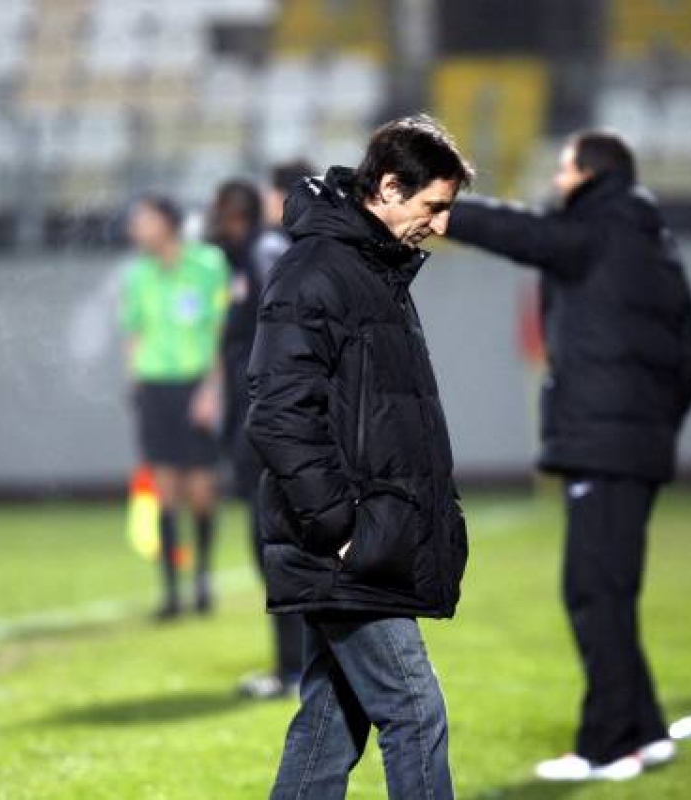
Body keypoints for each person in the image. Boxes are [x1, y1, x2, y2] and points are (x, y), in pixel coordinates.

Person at [444, 131, 691, 782]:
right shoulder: (652, 240)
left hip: (605, 445)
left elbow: (523, 234)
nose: (558, 182)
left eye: (564, 171)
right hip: (636, 444)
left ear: (590, 175)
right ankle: (646, 730)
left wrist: (444, 209)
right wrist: (654, 424)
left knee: (592, 594)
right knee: (611, 592)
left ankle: (606, 746)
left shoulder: (597, 228)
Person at [246, 115, 473, 800]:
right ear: (389, 187)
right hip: (348, 547)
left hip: (368, 539)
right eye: (434, 205)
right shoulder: (317, 271)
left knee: (331, 722)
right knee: (413, 711)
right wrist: (341, 529)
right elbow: (280, 413)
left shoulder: (372, 269)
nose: (440, 224)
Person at [210, 170, 311, 699]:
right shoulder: (245, 256)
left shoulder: (267, 250)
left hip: (269, 420)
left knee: (278, 544)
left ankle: (299, 669)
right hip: (258, 417)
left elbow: (286, 328)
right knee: (271, 545)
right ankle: (294, 666)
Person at [121, 193, 229, 620]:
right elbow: (134, 332)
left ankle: (202, 577)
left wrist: (212, 389)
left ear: (167, 223)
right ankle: (170, 593)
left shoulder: (208, 265)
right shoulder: (138, 275)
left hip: (195, 385)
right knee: (163, 490)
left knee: (201, 491)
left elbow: (221, 332)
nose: (135, 228)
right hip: (155, 387)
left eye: (143, 219)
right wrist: (134, 384)